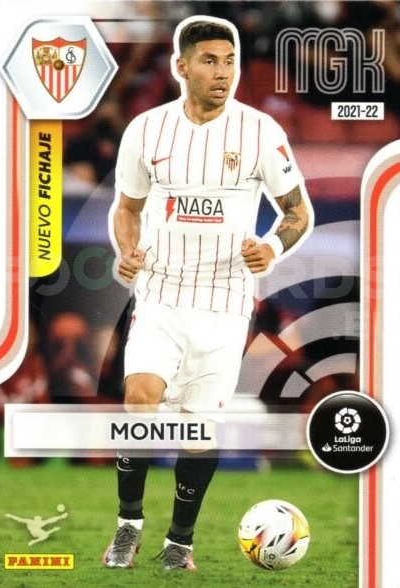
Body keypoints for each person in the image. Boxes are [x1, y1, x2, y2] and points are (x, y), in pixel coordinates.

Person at [104, 15, 314, 571]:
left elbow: (297, 212)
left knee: (198, 430)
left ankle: (180, 543)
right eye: (209, 61)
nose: (223, 73)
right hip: (161, 292)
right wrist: (128, 250)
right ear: (181, 66)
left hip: (225, 302)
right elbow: (127, 209)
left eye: (230, 62)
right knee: (140, 396)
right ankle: (127, 527)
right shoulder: (146, 130)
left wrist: (272, 247)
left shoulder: (260, 133)